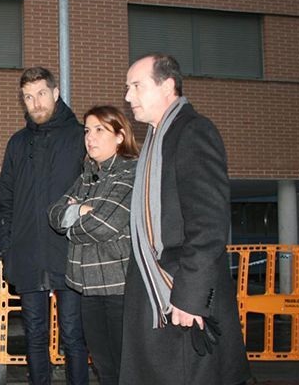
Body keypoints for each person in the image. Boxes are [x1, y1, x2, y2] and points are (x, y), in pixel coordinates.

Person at [121, 53, 250, 384]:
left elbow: (208, 225)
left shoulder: (193, 132)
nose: (128, 96)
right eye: (127, 88)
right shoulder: (155, 139)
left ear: (167, 86)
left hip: (181, 301)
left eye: (137, 86)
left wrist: (191, 299)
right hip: (159, 297)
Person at [0, 67, 89, 384]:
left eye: (41, 94)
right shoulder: (17, 144)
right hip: (28, 258)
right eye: (28, 97)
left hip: (70, 257)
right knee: (34, 338)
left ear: (56, 93)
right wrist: (7, 251)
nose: (35, 103)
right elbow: (4, 201)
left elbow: (93, 195)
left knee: (74, 336)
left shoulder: (80, 138)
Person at [48, 105, 139, 384]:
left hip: (118, 287)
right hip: (86, 287)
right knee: (103, 367)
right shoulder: (86, 175)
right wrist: (83, 211)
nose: (90, 137)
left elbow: (104, 225)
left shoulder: (129, 172)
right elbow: (53, 214)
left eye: (100, 130)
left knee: (126, 367)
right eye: (87, 130)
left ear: (120, 136)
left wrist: (74, 216)